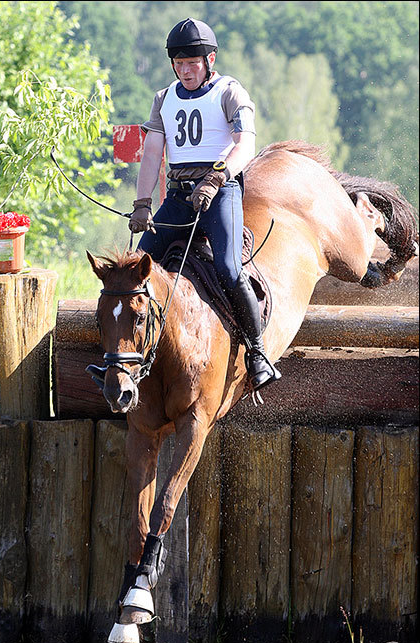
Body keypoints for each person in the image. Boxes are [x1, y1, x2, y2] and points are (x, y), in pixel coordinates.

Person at [129, 17, 280, 392]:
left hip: (221, 193)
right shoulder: (164, 98)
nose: (185, 70)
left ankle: (258, 352)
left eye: (192, 63)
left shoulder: (230, 91)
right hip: (179, 197)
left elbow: (244, 144)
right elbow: (151, 154)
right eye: (179, 64)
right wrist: (143, 203)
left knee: (229, 270)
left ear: (210, 59)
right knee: (135, 269)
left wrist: (216, 178)